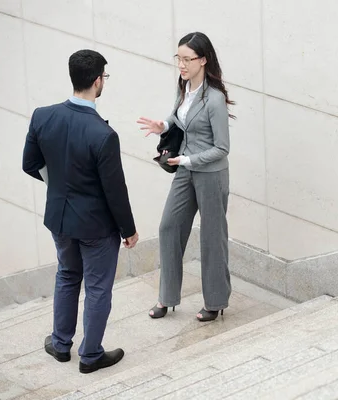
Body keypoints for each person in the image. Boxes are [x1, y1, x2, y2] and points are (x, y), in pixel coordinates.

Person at [22, 49, 139, 374]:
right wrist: (128, 229)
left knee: (67, 276)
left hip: (59, 218)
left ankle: (61, 345)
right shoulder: (103, 135)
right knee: (98, 287)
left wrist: (59, 184)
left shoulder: (42, 116)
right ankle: (90, 356)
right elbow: (115, 191)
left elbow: (29, 164)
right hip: (95, 226)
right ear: (98, 80)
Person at [137, 32, 234, 322]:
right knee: (169, 227)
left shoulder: (214, 99)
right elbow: (180, 117)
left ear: (203, 60)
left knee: (212, 238)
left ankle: (215, 302)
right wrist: (163, 123)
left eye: (187, 59)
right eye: (178, 58)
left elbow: (222, 148)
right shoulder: (184, 89)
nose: (181, 64)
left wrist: (189, 159)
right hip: (184, 171)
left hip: (210, 175)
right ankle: (167, 298)